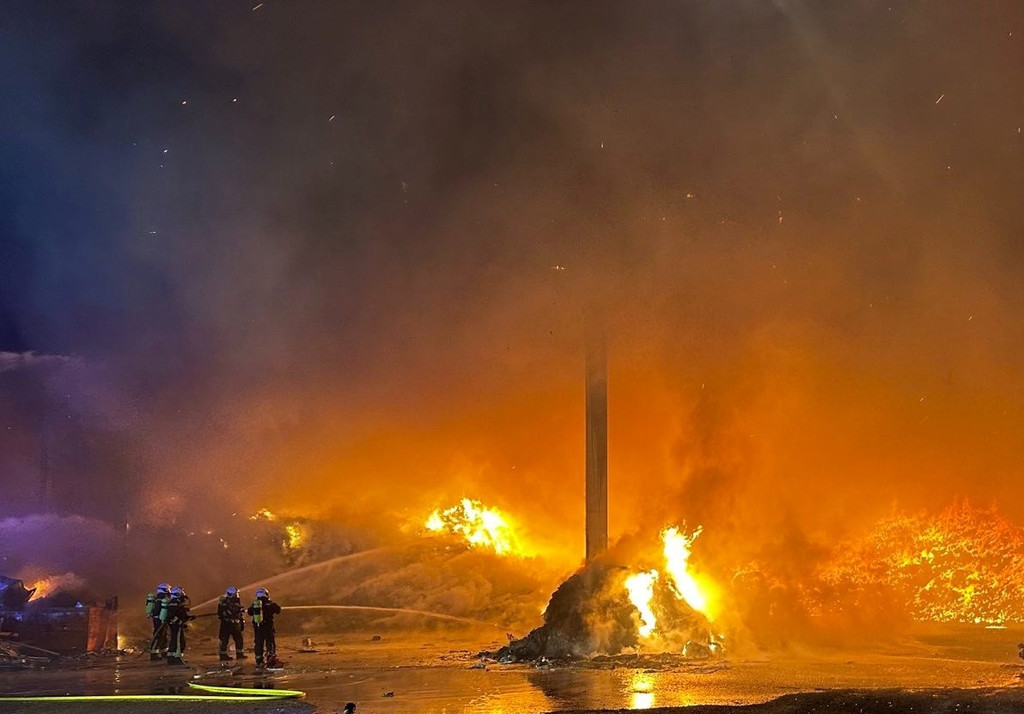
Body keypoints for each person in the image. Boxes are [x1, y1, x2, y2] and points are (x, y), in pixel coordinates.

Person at [246, 587, 282, 668]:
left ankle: (259, 660)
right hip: (268, 626)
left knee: (258, 643)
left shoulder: (255, 604)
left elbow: (249, 612)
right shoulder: (270, 603)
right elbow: (278, 610)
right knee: (270, 642)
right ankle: (271, 659)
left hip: (258, 627)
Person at [161, 586, 192, 665]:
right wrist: (179, 622)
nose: (184, 595)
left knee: (178, 642)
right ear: (178, 594)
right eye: (182, 593)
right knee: (177, 642)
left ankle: (176, 658)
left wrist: (188, 618)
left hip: (177, 625)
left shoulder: (177, 603)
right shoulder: (174, 603)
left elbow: (180, 614)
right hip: (175, 625)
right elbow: (171, 616)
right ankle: (174, 659)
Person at [217, 586, 247, 660]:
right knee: (224, 639)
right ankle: (223, 655)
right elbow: (223, 613)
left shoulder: (236, 602)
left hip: (235, 624)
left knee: (239, 639)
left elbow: (239, 614)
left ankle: (240, 654)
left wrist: (242, 621)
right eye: (236, 594)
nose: (237, 595)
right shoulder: (224, 603)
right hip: (226, 624)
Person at [146, 583, 171, 660]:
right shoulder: (160, 598)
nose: (169, 590)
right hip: (159, 620)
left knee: (163, 636)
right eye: (168, 589)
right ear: (165, 589)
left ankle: (164, 652)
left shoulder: (160, 597)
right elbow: (157, 610)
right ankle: (154, 654)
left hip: (161, 619)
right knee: (158, 636)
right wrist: (162, 617)